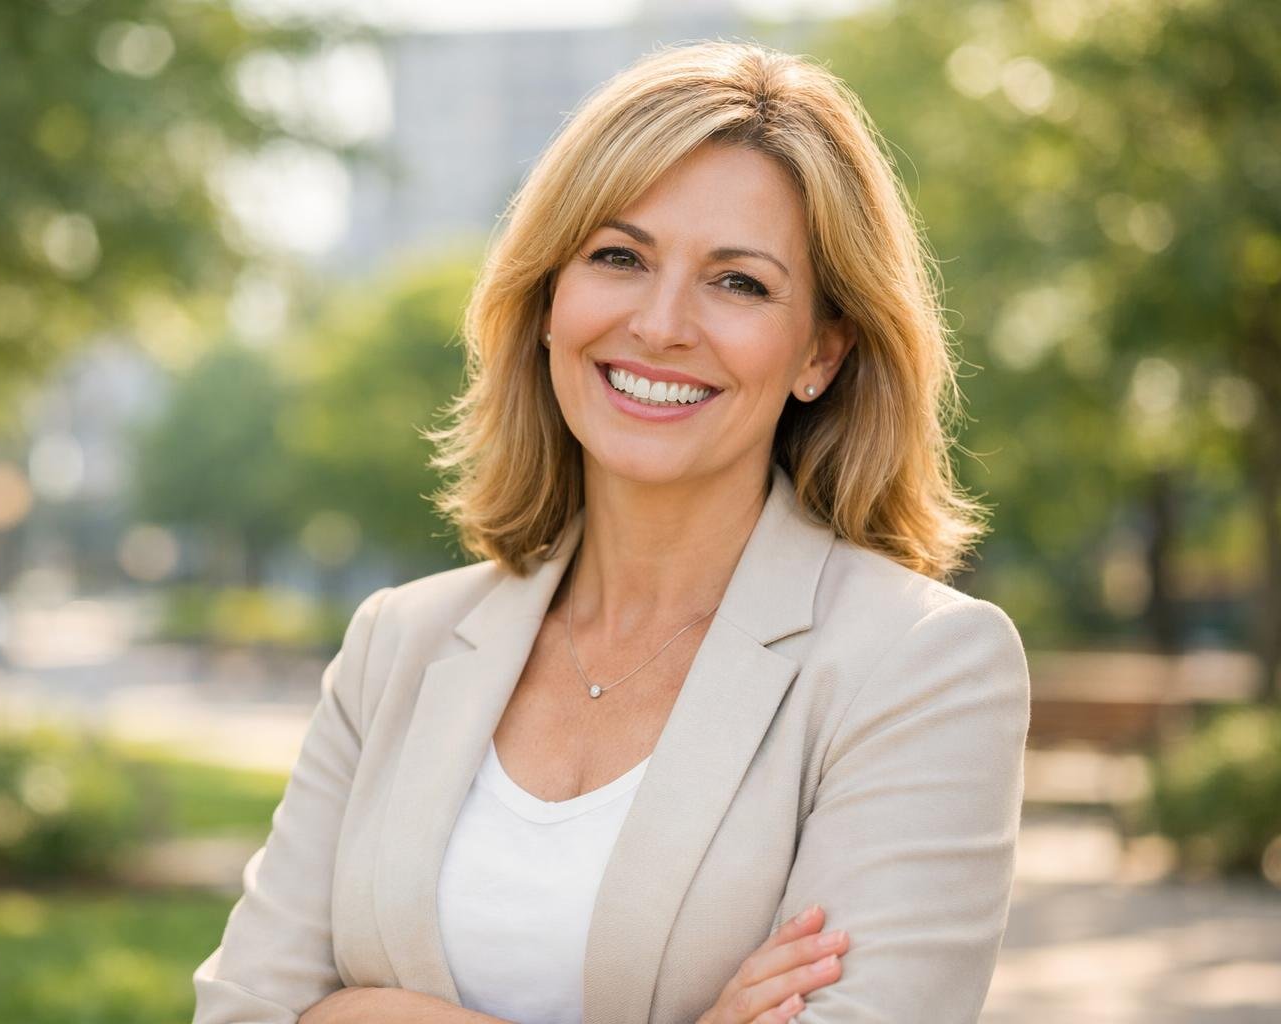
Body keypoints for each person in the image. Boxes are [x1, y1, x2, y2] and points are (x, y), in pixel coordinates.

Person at [192, 39, 1030, 1024]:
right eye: (619, 258)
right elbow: (242, 1012)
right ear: (550, 298)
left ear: (821, 350)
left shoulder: (923, 664)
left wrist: (362, 1013)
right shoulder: (397, 646)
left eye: (739, 283)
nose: (662, 323)